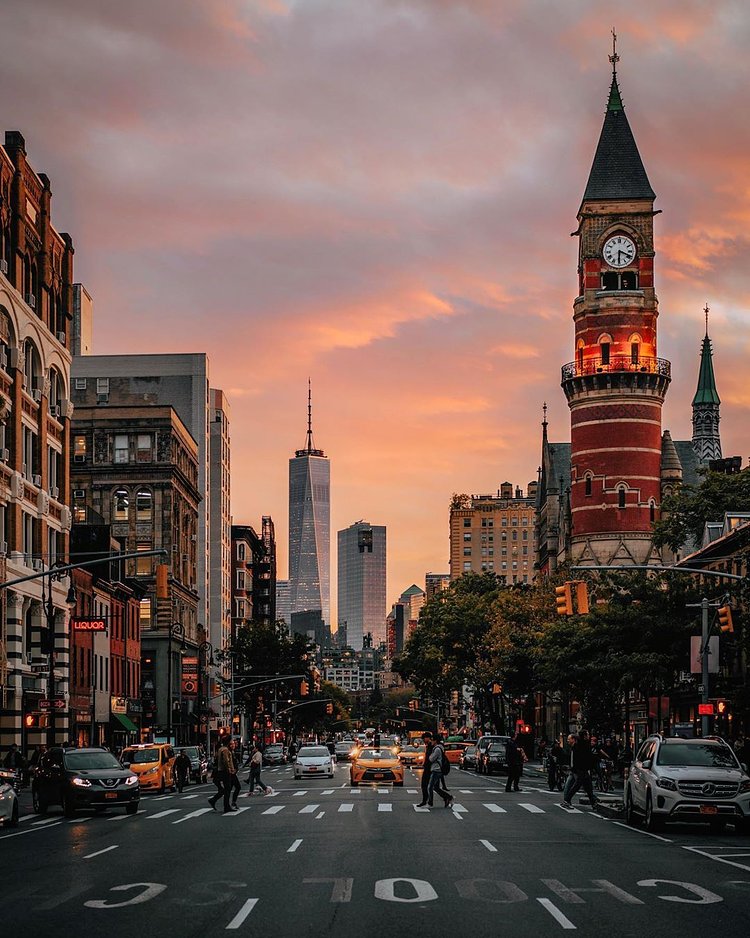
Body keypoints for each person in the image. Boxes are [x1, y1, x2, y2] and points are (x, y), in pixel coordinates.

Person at [563, 729, 598, 810]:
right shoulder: (583, 745)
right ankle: (567, 801)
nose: (589, 736)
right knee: (577, 785)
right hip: (581, 769)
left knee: (588, 787)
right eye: (587, 734)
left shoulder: (579, 744)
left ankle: (593, 803)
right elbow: (586, 757)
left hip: (582, 769)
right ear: (585, 736)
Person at [426, 733, 453, 809]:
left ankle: (430, 803)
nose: (431, 741)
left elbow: (431, 759)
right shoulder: (439, 748)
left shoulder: (437, 749)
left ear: (435, 741)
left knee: (430, 787)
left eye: (432, 740)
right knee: (436, 787)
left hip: (436, 770)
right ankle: (447, 797)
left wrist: (430, 755)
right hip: (438, 770)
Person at [209, 739, 235, 813]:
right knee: (228, 789)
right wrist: (229, 768)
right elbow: (226, 760)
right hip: (225, 771)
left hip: (220, 770)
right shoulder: (226, 750)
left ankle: (214, 800)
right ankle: (226, 806)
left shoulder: (220, 749)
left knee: (226, 789)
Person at [416, 733, 434, 807]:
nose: (423, 740)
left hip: (430, 768)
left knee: (425, 785)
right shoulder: (428, 746)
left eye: (424, 738)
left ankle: (426, 801)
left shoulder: (432, 746)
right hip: (428, 767)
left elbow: (431, 757)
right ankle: (426, 801)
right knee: (432, 786)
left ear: (428, 738)